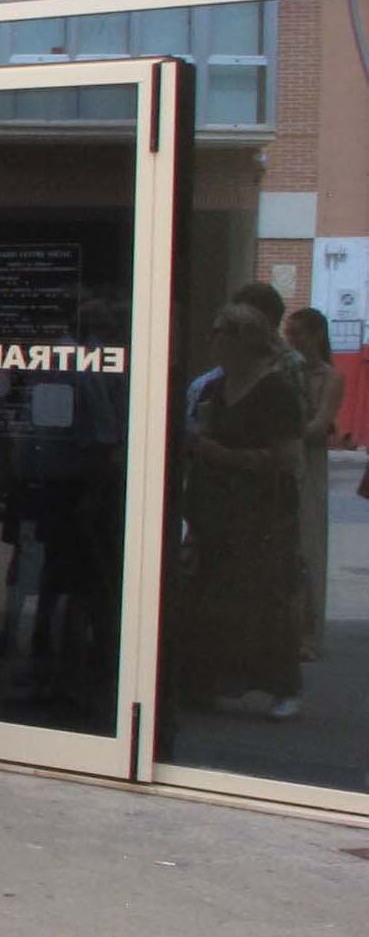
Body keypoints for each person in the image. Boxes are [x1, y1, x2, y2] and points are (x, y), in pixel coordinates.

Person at [185, 303, 305, 719]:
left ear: (239, 339)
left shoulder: (275, 391)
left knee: (266, 597)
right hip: (216, 506)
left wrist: (227, 457)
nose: (212, 342)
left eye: (218, 333)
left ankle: (283, 685)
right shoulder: (215, 389)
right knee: (213, 595)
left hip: (262, 511)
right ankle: (217, 680)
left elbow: (285, 457)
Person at [284, 306, 341, 660]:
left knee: (307, 547)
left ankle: (308, 632)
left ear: (317, 335)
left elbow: (320, 425)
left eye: (298, 334)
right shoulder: (285, 370)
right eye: (289, 334)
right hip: (286, 460)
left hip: (310, 465)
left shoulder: (329, 376)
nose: (291, 341)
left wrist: (284, 434)